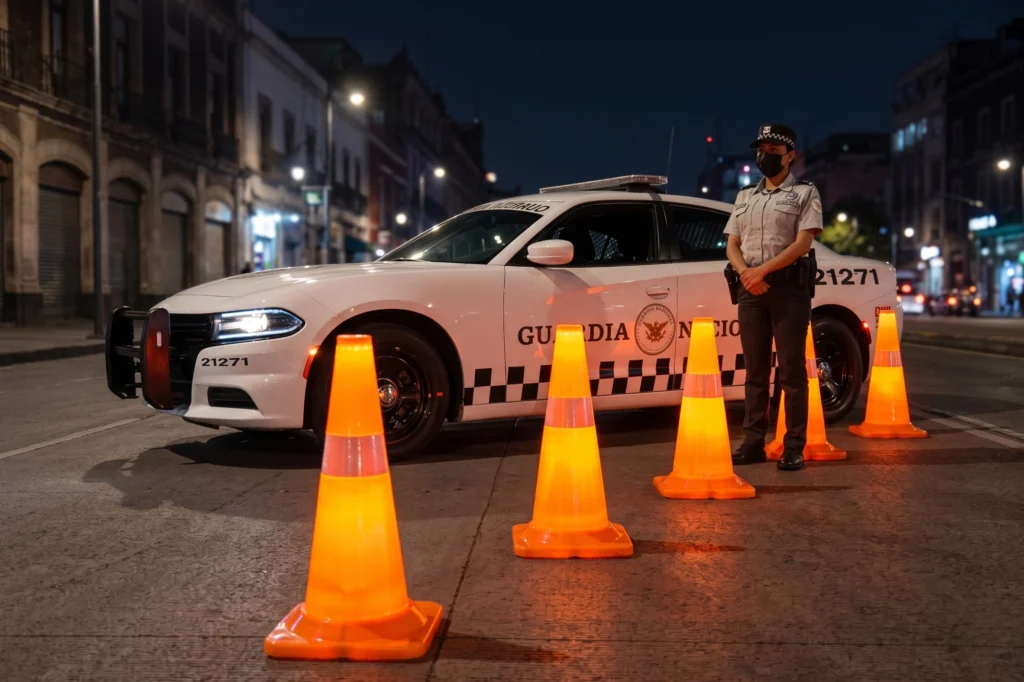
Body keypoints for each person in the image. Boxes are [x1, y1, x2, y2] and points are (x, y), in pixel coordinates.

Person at [723, 124, 824, 471]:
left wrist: (761, 272)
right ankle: (752, 441)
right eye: (761, 149)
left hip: (787, 290)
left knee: (792, 372)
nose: (765, 156)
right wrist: (745, 275)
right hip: (750, 288)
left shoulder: (805, 194)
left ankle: (793, 445)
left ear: (790, 155)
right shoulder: (744, 196)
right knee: (755, 371)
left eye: (773, 150)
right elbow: (732, 244)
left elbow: (802, 244)